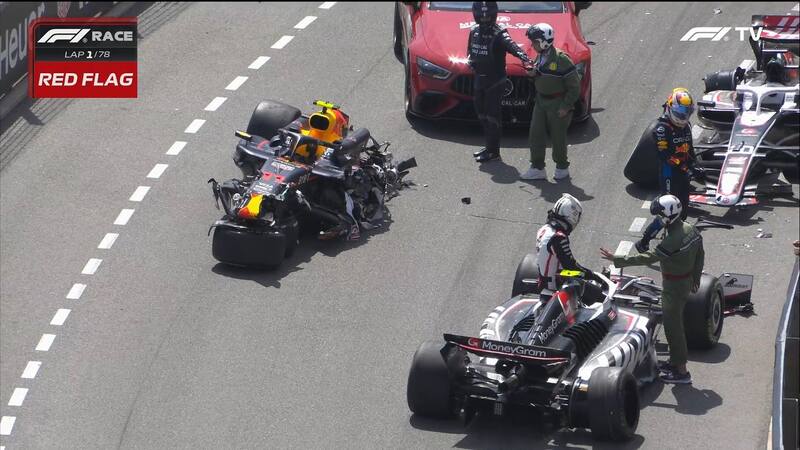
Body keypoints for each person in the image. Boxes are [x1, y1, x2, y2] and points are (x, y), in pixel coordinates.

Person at [600, 194, 705, 384]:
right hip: (685, 280)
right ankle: (674, 363)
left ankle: (681, 372)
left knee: (673, 329)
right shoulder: (690, 229)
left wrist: (617, 259)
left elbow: (648, 257)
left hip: (674, 287)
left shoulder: (672, 240)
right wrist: (696, 278)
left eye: (660, 215)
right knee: (674, 325)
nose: (658, 218)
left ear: (669, 215)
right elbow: (700, 254)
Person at [634, 87, 704, 252]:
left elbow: (689, 151)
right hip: (669, 174)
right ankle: (644, 241)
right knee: (668, 212)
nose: (683, 117)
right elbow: (665, 155)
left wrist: (695, 167)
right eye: (680, 113)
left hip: (683, 174)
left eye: (687, 113)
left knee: (683, 211)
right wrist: (686, 168)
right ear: (671, 108)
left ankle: (675, 240)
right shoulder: (661, 129)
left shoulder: (686, 127)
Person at [468, 1, 533, 163]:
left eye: (487, 16)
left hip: (495, 80)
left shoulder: (500, 33)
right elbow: (469, 51)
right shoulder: (474, 31)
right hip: (479, 78)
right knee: (481, 114)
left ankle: (494, 152)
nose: (484, 19)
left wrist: (525, 58)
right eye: (481, 16)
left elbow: (513, 46)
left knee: (492, 116)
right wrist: (470, 60)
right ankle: (489, 146)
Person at [520, 23, 581, 181]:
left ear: (544, 42)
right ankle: (537, 167)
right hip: (541, 101)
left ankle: (562, 167)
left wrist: (566, 106)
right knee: (536, 135)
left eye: (535, 42)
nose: (532, 45)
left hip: (557, 103)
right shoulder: (540, 56)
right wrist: (532, 74)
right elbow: (540, 75)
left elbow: (575, 86)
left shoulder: (562, 60)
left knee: (558, 138)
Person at [536, 193, 605, 305]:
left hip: (544, 282)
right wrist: (592, 275)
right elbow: (571, 266)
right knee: (599, 295)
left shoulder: (544, 229)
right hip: (556, 288)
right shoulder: (558, 237)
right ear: (572, 216)